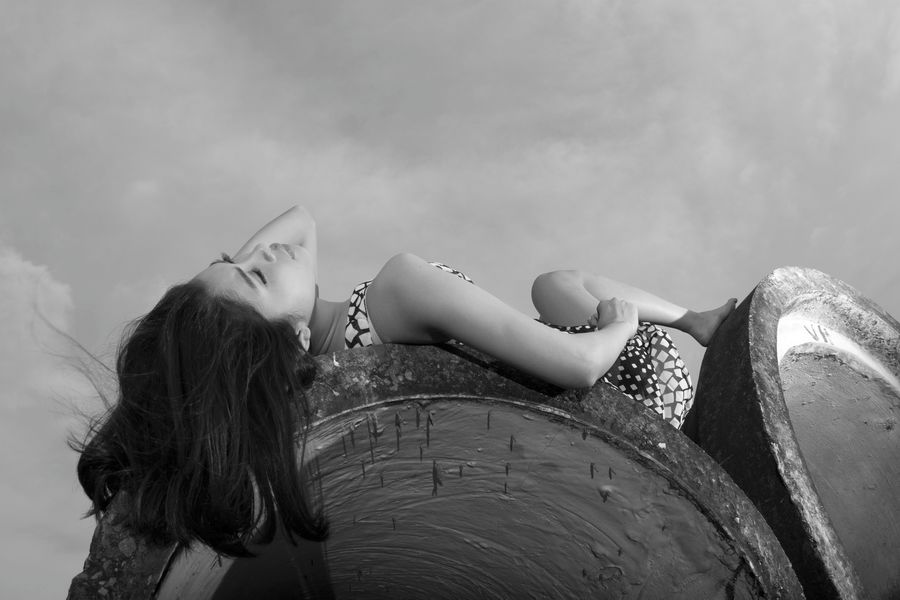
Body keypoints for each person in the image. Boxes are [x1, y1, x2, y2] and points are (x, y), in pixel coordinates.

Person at [75, 205, 734, 557]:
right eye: (254, 271)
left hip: (574, 458)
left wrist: (234, 283)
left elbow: (300, 224)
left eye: (234, 255)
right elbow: (582, 365)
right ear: (287, 340)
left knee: (552, 295)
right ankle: (693, 322)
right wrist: (618, 326)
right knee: (557, 286)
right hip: (633, 391)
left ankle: (696, 320)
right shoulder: (396, 289)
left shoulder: (333, 374)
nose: (263, 250)